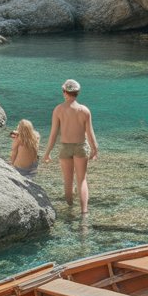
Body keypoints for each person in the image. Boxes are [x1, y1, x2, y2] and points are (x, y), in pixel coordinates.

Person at [41, 79, 98, 214]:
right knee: (82, 180)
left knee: (68, 181)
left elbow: (53, 134)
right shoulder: (84, 110)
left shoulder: (58, 110)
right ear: (77, 93)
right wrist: (95, 149)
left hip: (65, 147)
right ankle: (84, 212)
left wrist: (47, 152)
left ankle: (70, 208)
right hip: (81, 147)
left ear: (65, 92)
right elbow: (90, 133)